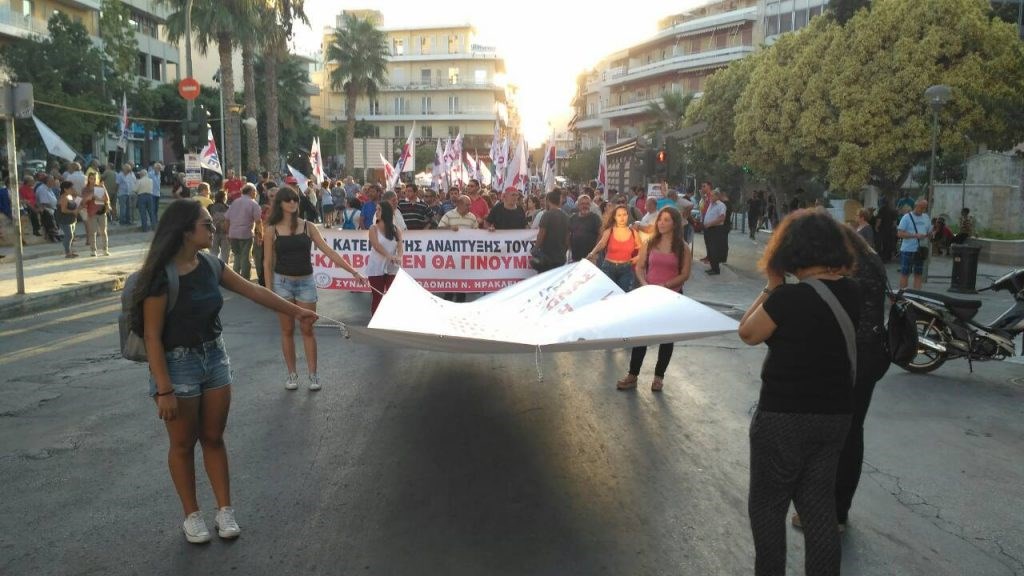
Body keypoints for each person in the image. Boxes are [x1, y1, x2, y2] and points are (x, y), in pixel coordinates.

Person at [133, 199, 317, 544]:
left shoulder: (210, 264)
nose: (215, 227)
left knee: (214, 438)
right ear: (185, 231)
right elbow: (152, 336)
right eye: (207, 224)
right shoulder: (160, 277)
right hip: (178, 365)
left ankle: (224, 510)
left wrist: (296, 312)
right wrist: (164, 389)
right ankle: (192, 516)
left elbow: (254, 290)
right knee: (183, 444)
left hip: (215, 358)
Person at [737, 208, 858, 576]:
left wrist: (772, 285)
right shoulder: (852, 293)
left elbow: (747, 332)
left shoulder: (788, 298)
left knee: (768, 507)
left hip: (783, 418)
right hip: (835, 416)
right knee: (819, 508)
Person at [264, 186, 367, 390]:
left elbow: (329, 252)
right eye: (288, 200)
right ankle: (292, 375)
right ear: (280, 204)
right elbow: (267, 262)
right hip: (282, 284)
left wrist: (354, 272)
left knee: (307, 329)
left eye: (295, 199)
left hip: (306, 283)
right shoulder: (271, 229)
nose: (293, 203)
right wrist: (268, 292)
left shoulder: (308, 226)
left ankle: (313, 375)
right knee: (287, 330)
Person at [617, 207, 692, 392]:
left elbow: (685, 274)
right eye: (660, 219)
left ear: (675, 223)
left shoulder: (682, 247)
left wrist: (665, 286)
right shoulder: (650, 242)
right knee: (641, 335)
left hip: (672, 297)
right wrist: (645, 284)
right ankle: (633, 375)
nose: (661, 223)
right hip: (649, 296)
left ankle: (659, 377)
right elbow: (640, 267)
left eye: (666, 220)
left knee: (667, 338)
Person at [586, 204, 640, 290]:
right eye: (619, 215)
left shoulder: (634, 233)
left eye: (624, 214)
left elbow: (642, 248)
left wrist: (638, 257)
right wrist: (592, 253)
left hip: (626, 269)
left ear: (627, 216)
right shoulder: (609, 231)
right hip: (609, 267)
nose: (622, 218)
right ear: (614, 217)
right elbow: (601, 243)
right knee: (608, 293)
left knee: (623, 294)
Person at [366, 201, 403, 314]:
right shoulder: (373, 228)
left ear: (386, 212)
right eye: (376, 209)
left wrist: (399, 257)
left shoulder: (396, 230)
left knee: (393, 296)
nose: (376, 212)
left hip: (392, 268)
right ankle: (376, 322)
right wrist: (390, 256)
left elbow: (400, 247)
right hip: (376, 268)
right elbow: (376, 246)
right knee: (378, 297)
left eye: (379, 209)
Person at [224, 184, 262, 280]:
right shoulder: (253, 204)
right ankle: (245, 279)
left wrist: (227, 233)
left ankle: (236, 278)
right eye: (255, 191)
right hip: (246, 234)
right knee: (245, 257)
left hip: (233, 233)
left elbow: (227, 219)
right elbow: (258, 221)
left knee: (237, 256)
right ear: (251, 192)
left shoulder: (235, 202)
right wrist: (260, 235)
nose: (256, 194)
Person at [897, 198, 932, 290]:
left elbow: (929, 232)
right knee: (905, 273)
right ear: (916, 206)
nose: (922, 210)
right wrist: (914, 235)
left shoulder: (926, 217)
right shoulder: (906, 217)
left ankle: (917, 295)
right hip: (908, 249)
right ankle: (903, 294)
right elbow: (900, 233)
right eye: (921, 207)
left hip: (920, 250)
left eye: (924, 208)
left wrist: (930, 234)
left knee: (918, 273)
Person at [82, 172, 110, 256]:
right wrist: (92, 195)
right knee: (92, 232)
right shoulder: (85, 189)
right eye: (91, 178)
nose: (93, 180)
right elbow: (83, 200)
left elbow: (106, 199)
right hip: (92, 212)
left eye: (95, 178)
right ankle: (93, 250)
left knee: (103, 231)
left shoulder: (100, 187)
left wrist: (103, 188)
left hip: (101, 211)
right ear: (88, 179)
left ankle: (105, 249)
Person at [568, 194, 602, 262]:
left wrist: (595, 252)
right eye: (582, 204)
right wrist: (570, 249)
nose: (585, 206)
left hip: (590, 257)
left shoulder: (595, 218)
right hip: (575, 257)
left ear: (590, 205)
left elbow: (600, 235)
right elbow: (568, 235)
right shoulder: (572, 218)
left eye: (587, 204)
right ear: (578, 205)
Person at [703, 188, 728, 275]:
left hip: (715, 229)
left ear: (717, 196)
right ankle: (712, 267)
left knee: (714, 249)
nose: (710, 197)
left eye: (712, 196)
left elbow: (722, 218)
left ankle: (716, 269)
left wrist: (710, 224)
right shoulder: (711, 204)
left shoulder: (721, 205)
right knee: (709, 248)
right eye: (710, 196)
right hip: (708, 229)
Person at [55, 181, 79, 258]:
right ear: (65, 189)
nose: (72, 189)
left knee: (71, 236)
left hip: (71, 218)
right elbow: (63, 210)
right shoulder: (64, 197)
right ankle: (67, 252)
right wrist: (73, 211)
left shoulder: (70, 196)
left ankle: (70, 251)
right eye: (71, 188)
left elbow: (75, 204)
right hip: (64, 219)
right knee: (69, 235)